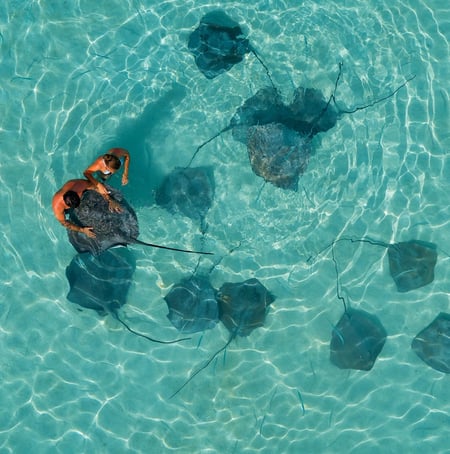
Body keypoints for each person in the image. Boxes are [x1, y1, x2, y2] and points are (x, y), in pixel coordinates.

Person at [52, 179, 121, 238]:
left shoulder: (78, 185)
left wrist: (110, 200)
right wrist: (82, 230)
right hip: (66, 207)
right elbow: (64, 223)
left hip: (81, 192)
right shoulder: (57, 206)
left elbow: (96, 187)